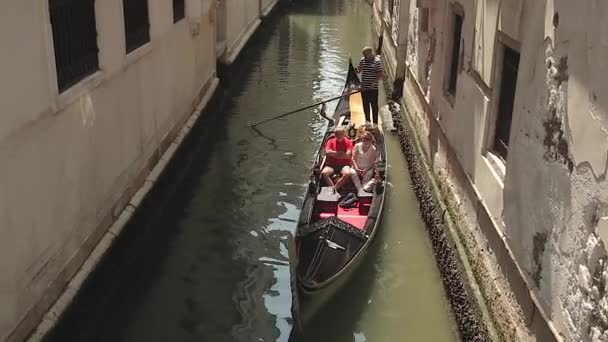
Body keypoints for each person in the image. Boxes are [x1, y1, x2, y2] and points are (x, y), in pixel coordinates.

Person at [355, 46, 384, 127]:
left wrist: (373, 83)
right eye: (363, 54)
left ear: (370, 53)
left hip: (373, 88)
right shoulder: (363, 60)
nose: (364, 56)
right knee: (365, 105)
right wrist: (354, 70)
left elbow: (380, 74)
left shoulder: (377, 61)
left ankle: (375, 123)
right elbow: (359, 70)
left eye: (365, 54)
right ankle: (367, 122)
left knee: (374, 106)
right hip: (364, 88)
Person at [322, 126, 353, 191]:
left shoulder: (349, 142)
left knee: (347, 173)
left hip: (344, 165)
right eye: (337, 134)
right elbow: (327, 152)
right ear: (335, 135)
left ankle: (334, 189)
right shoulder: (330, 141)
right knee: (324, 173)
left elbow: (347, 155)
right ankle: (333, 188)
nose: (339, 136)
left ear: (344, 134)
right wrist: (340, 153)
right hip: (331, 165)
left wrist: (334, 154)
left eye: (341, 134)